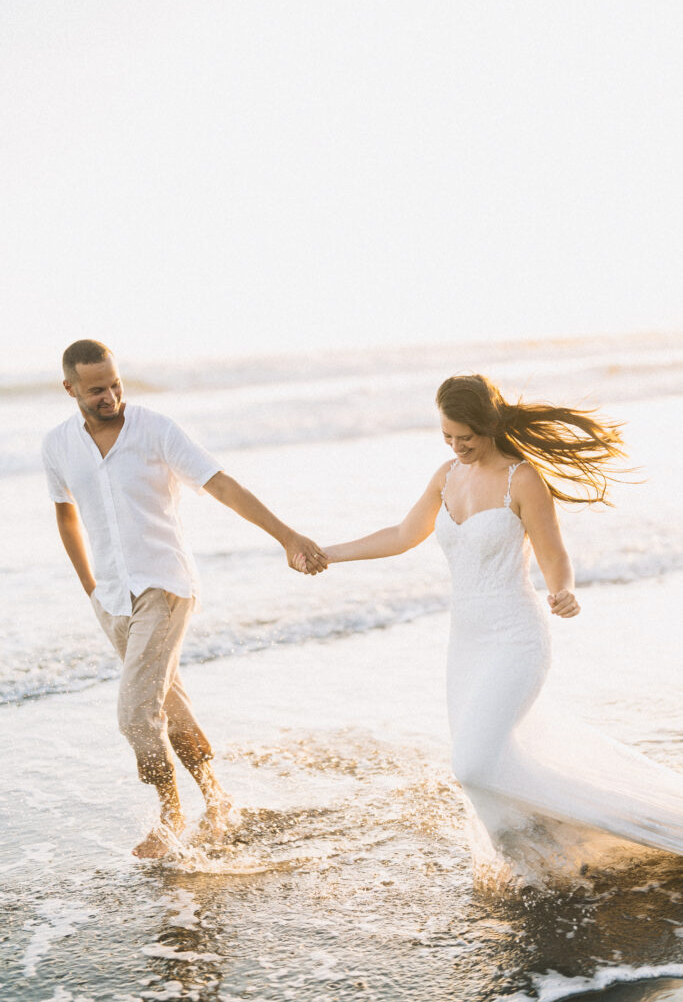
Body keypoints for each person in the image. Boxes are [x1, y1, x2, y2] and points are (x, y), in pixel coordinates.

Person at [296, 374, 683, 883]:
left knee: (474, 763)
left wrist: (563, 589)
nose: (458, 447)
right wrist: (328, 553)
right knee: (484, 772)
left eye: (466, 438)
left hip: (516, 639)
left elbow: (554, 556)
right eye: (447, 437)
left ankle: (614, 828)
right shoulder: (445, 476)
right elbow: (402, 535)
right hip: (466, 647)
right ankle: (536, 872)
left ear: (490, 426)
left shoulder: (522, 479)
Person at [42, 339, 327, 860]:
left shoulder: (155, 430)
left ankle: (170, 814)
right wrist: (89, 587)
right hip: (111, 598)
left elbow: (221, 485)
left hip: (165, 586)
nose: (110, 396)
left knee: (135, 713)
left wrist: (287, 536)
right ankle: (218, 796)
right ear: (70, 389)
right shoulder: (57, 445)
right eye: (96, 389)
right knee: (167, 703)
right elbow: (65, 512)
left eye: (115, 384)